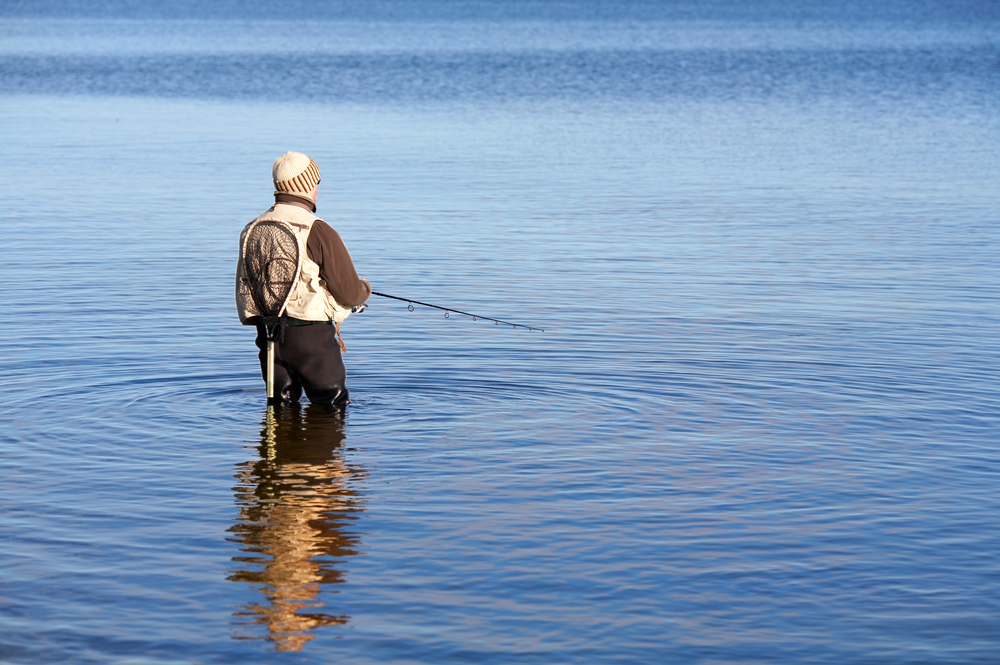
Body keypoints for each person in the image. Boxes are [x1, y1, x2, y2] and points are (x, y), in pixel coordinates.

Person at [235, 151, 371, 407]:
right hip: (312, 339)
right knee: (332, 407)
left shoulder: (252, 227)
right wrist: (365, 289)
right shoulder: (317, 229)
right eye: (316, 184)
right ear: (307, 185)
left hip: (268, 335)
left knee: (280, 409)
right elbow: (350, 293)